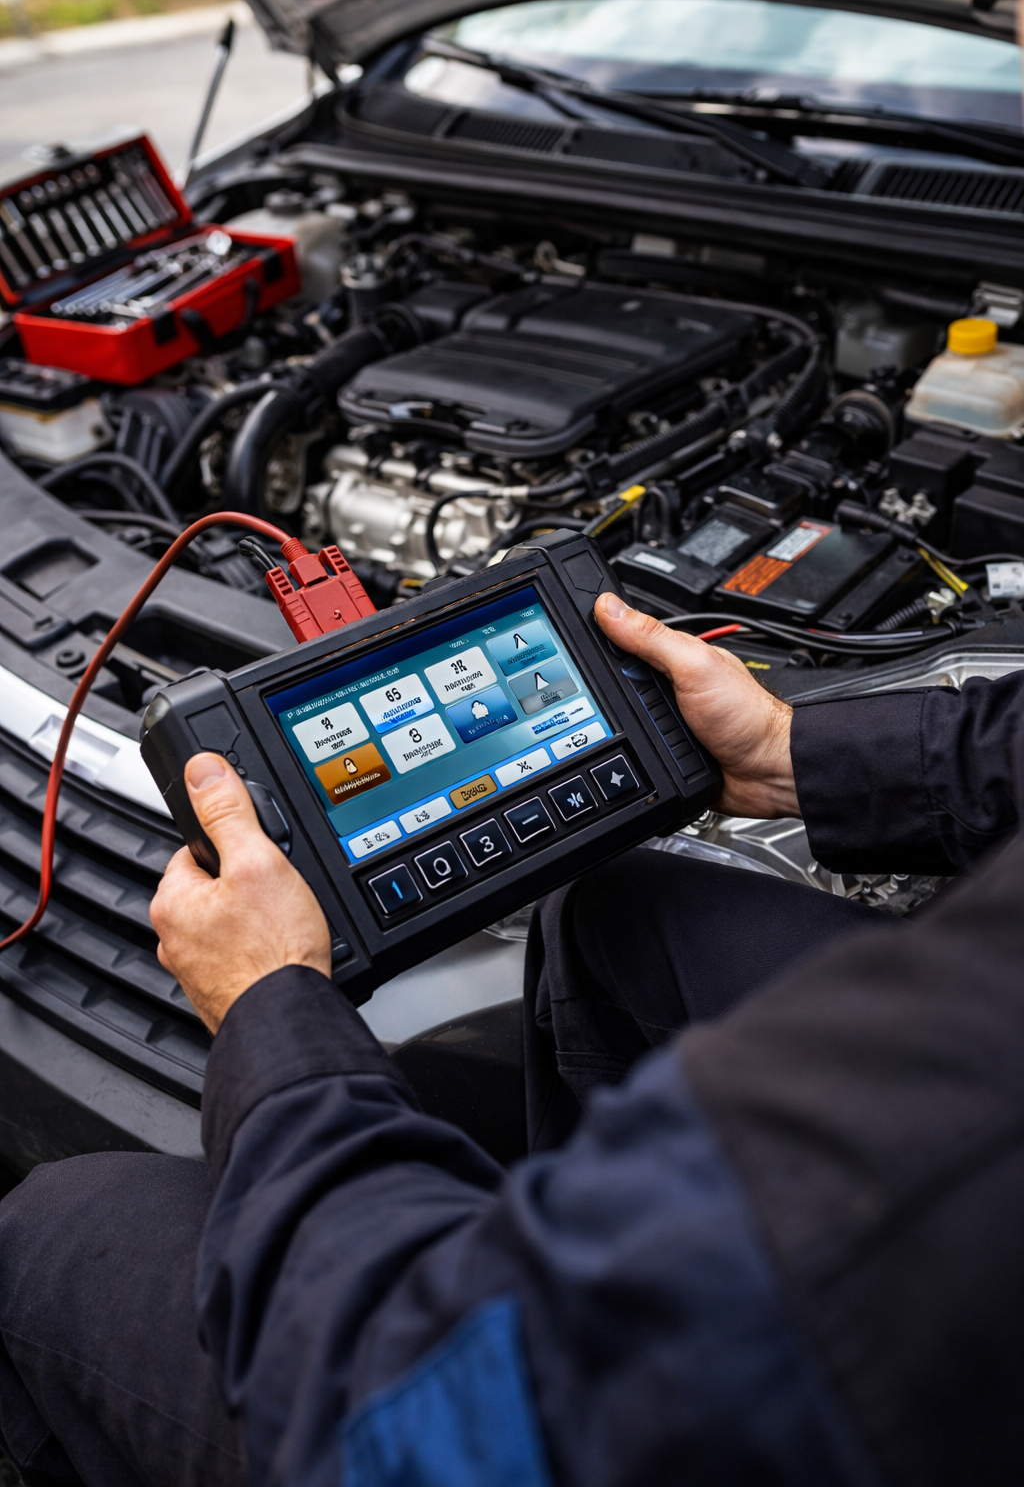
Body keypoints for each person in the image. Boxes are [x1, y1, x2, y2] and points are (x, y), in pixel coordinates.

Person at [0, 584, 1022, 1487]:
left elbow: (394, 1399)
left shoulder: (934, 1169)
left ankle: (535, 1271)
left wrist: (271, 1003)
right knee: (620, 909)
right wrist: (801, 756)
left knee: (54, 1230)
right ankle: (553, 1224)